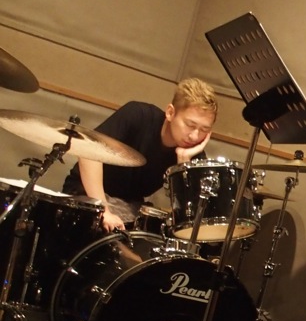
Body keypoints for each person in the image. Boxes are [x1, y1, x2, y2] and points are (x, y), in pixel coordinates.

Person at [63, 78, 217, 232]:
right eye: (190, 125)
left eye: (204, 130)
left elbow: (189, 220)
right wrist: (103, 210)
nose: (195, 136)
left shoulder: (193, 154)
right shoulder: (139, 115)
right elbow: (89, 153)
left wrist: (183, 165)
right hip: (87, 193)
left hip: (129, 206)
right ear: (170, 112)